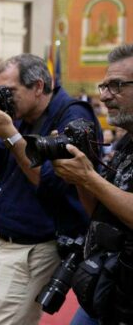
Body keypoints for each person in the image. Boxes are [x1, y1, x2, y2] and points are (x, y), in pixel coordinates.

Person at [0, 53, 99, 324]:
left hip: (34, 249)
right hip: (2, 243)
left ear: (38, 87)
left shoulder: (72, 115)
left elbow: (51, 181)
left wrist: (10, 134)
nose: (3, 98)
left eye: (9, 91)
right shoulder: (19, 116)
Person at [52, 44, 133, 325]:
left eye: (117, 85)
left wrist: (89, 177)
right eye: (104, 86)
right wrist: (77, 176)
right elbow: (98, 213)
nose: (105, 96)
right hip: (105, 288)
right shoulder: (125, 143)